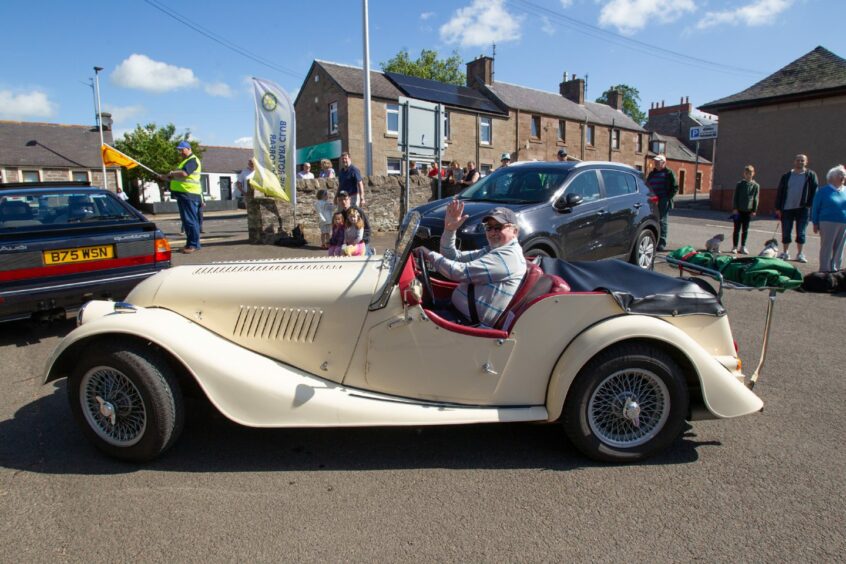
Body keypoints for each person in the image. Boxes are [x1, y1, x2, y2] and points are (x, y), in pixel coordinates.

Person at [417, 202, 527, 328]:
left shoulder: (508, 257)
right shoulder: (492, 251)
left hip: (468, 324)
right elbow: (453, 257)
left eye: (498, 227)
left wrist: (428, 254)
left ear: (515, 231)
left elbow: (460, 272)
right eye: (488, 228)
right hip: (455, 310)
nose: (492, 232)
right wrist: (449, 230)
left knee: (412, 325)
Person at [775, 154, 819, 262]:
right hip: (787, 208)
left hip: (803, 208)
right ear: (794, 162)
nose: (800, 162)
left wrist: (810, 204)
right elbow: (780, 192)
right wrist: (778, 207)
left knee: (801, 232)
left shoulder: (810, 175)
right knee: (786, 231)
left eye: (802, 160)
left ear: (806, 162)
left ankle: (800, 254)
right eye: (798, 160)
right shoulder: (786, 176)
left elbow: (815, 190)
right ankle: (785, 253)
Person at [162, 140, 202, 254]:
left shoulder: (192, 160)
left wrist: (172, 173)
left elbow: (184, 174)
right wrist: (165, 177)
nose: (180, 152)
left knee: (190, 221)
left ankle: (193, 245)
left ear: (188, 149)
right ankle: (190, 244)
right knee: (187, 221)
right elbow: (178, 177)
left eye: (182, 149)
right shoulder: (185, 162)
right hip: (184, 195)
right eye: (179, 150)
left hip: (189, 194)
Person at [811, 165, 846, 272]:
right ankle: (824, 269)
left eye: (844, 175)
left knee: (840, 247)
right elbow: (815, 207)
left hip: (843, 222)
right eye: (841, 175)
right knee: (827, 246)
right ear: (832, 177)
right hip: (827, 222)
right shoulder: (823, 191)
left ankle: (835, 268)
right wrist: (815, 222)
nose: (843, 177)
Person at [646, 155, 678, 252]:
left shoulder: (668, 173)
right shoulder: (652, 174)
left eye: (658, 162)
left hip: (663, 200)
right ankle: (654, 240)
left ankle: (661, 243)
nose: (656, 163)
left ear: (664, 163)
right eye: (655, 162)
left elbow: (675, 187)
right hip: (653, 200)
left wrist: (667, 198)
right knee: (653, 220)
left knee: (662, 221)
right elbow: (647, 185)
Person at [730, 165, 759, 254]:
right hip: (738, 210)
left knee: (745, 230)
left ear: (753, 174)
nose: (748, 175)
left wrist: (754, 210)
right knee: (736, 229)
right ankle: (734, 246)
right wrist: (735, 208)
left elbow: (756, 198)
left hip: (748, 211)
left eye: (750, 173)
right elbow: (735, 197)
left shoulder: (755, 186)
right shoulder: (739, 184)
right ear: (744, 174)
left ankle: (743, 246)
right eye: (747, 173)